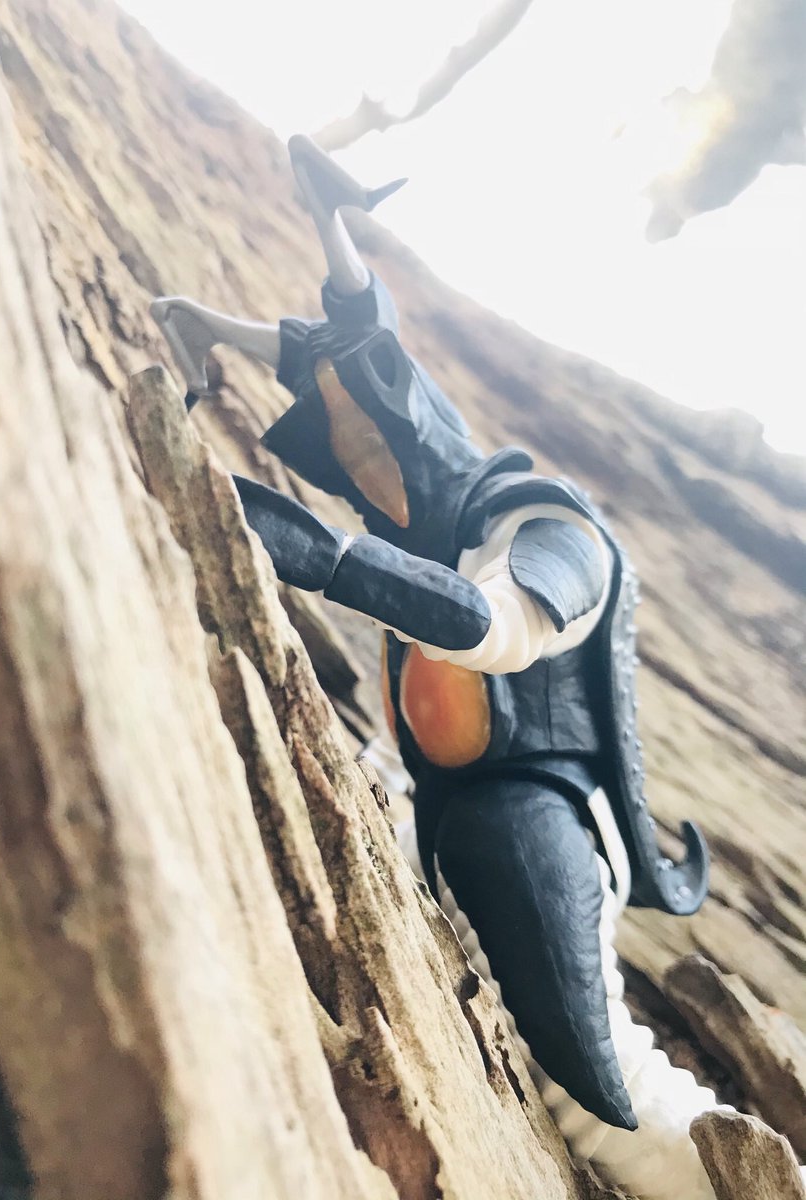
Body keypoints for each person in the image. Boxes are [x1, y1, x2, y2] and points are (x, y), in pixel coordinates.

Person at [152, 136, 730, 1200]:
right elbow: (405, 722)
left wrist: (324, 557)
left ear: (423, 431)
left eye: (377, 446)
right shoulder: (423, 555)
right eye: (347, 456)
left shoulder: (554, 531)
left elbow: (495, 630)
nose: (366, 473)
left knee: (606, 1098)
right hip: (434, 807)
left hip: (535, 811)